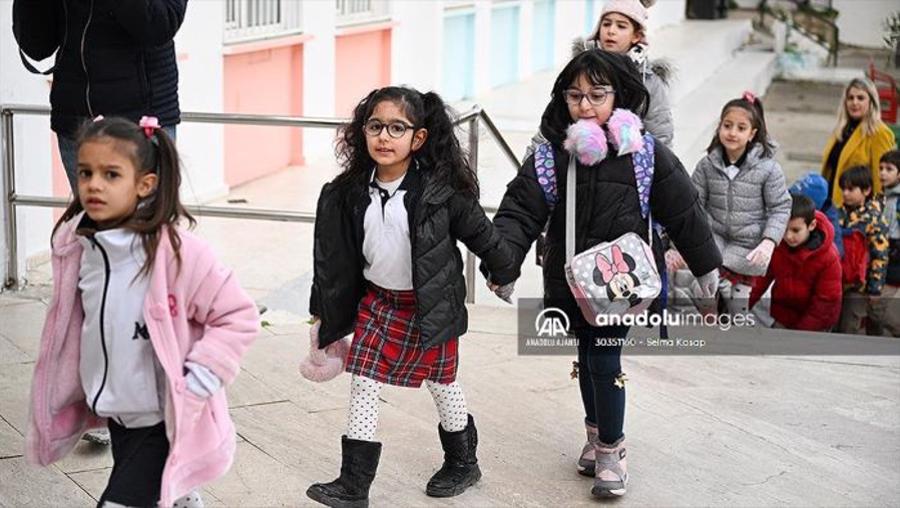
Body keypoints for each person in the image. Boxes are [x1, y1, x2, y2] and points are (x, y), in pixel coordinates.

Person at [488, 49, 721, 498]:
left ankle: (613, 450)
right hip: (569, 280)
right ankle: (596, 437)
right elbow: (519, 212)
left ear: (621, 96)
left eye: (597, 94)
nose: (585, 105)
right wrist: (504, 263)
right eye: (575, 96)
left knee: (603, 359)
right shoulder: (550, 156)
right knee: (586, 358)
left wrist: (705, 265)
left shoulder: (645, 155)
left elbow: (684, 210)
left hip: (621, 283)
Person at [25, 116, 259, 507]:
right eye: (86, 173)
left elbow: (238, 316)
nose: (94, 184)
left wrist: (199, 379)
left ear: (144, 184)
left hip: (161, 414)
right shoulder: (80, 251)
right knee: (154, 487)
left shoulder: (178, 254)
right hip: (118, 412)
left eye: (111, 174)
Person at [306, 86, 517, 507]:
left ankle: (462, 462)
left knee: (442, 383)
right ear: (362, 132)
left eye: (397, 128)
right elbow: (331, 260)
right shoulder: (348, 192)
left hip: (429, 308)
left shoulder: (441, 194)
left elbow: (484, 236)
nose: (384, 137)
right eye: (375, 126)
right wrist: (321, 315)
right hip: (379, 305)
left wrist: (502, 271)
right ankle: (354, 485)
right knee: (363, 381)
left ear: (418, 138)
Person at [12, 0, 187, 194]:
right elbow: (37, 45)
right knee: (90, 220)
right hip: (77, 121)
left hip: (140, 124)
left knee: (145, 220)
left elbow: (160, 24)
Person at [673, 92, 791, 316]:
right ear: (719, 127)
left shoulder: (768, 169)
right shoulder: (707, 165)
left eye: (741, 128)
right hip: (713, 241)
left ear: (752, 134)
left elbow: (780, 207)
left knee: (738, 308)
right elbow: (693, 203)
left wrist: (768, 241)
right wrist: (678, 244)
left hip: (747, 246)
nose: (732, 133)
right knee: (705, 295)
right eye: (727, 125)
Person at [749, 194, 842, 331]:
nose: (788, 236)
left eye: (795, 230)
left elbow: (825, 303)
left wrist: (801, 333)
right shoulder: (777, 244)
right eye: (784, 229)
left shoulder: (829, 258)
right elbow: (759, 280)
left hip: (816, 325)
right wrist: (740, 308)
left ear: (812, 225)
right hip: (782, 317)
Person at [821, 78, 896, 208]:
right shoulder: (842, 129)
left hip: (858, 212)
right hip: (831, 204)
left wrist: (876, 213)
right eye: (850, 98)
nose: (854, 103)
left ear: (871, 102)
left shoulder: (879, 132)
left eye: (860, 98)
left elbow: (882, 179)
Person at [836, 166, 889, 334]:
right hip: (837, 282)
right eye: (843, 189)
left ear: (866, 190)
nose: (845, 193)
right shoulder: (837, 214)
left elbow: (879, 256)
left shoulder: (873, 219)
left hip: (859, 287)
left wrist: (875, 289)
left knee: (849, 326)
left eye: (851, 189)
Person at [869, 150, 900, 336]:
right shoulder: (880, 198)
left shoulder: (896, 201)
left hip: (894, 262)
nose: (882, 173)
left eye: (889, 169)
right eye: (880, 168)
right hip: (882, 261)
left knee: (886, 316)